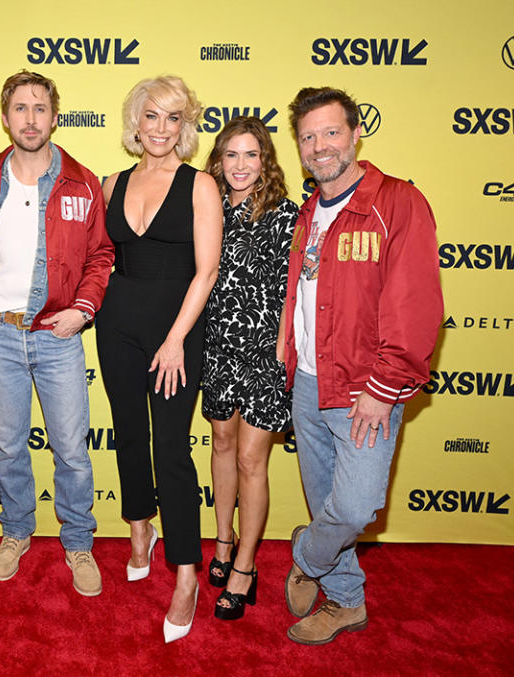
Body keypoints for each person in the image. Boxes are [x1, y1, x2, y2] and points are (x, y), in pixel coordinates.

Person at [282, 87, 443, 645]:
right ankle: (347, 600)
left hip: (364, 390)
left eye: (331, 133)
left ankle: (307, 555)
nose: (320, 146)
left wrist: (382, 388)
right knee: (327, 495)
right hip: (306, 385)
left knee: (352, 509)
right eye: (309, 137)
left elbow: (415, 306)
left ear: (355, 135)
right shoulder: (308, 211)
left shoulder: (396, 202)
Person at [0, 70, 113, 597]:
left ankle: (78, 541)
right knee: (8, 447)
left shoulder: (82, 182)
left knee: (71, 449)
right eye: (20, 108)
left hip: (58, 334)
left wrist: (84, 309)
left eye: (39, 108)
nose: (30, 118)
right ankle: (16, 531)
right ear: (5, 117)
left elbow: (101, 254)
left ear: (54, 115)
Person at [96, 76, 222, 642]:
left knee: (172, 449)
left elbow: (208, 270)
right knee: (128, 433)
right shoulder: (111, 183)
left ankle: (187, 573)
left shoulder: (200, 186)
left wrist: (175, 340)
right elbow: (104, 259)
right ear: (136, 121)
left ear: (185, 127)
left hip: (178, 331)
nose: (161, 129)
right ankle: (140, 526)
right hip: (117, 323)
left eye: (174, 119)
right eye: (152, 116)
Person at [200, 116, 298, 621]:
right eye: (231, 155)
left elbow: (295, 290)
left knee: (251, 461)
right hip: (217, 347)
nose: (240, 165)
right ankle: (222, 540)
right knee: (221, 444)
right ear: (219, 160)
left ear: (265, 161)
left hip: (265, 354)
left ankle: (245, 566)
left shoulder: (286, 215)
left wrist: (283, 352)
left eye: (251, 155)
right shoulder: (207, 207)